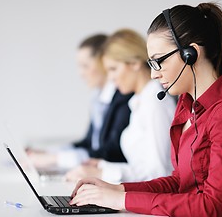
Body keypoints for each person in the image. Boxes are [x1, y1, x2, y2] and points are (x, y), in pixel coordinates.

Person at [69, 2, 222, 217]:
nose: (154, 74)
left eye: (158, 61)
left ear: (191, 54)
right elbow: (180, 182)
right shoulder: (187, 103)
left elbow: (212, 207)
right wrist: (119, 190)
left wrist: (121, 201)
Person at [65, 28, 176, 183]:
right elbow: (141, 166)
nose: (111, 78)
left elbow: (159, 173)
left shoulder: (155, 102)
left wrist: (103, 173)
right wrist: (103, 165)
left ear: (135, 63)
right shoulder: (139, 101)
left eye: (113, 69)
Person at [26, 34, 133, 170]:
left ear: (103, 62)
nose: (81, 73)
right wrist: (49, 153)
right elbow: (88, 143)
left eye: (85, 66)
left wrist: (55, 158)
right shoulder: (97, 98)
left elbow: (112, 151)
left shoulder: (123, 97)